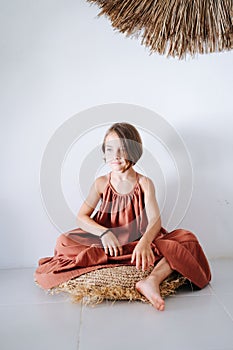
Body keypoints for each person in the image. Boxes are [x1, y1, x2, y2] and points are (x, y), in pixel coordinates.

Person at [35, 122, 211, 311]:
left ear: (134, 151)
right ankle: (114, 261)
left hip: (137, 241)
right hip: (107, 243)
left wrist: (144, 243)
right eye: (110, 149)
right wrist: (104, 233)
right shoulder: (101, 183)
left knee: (187, 239)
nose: (116, 156)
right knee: (63, 241)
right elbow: (81, 217)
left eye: (123, 149)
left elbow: (155, 220)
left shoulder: (144, 183)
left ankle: (151, 280)